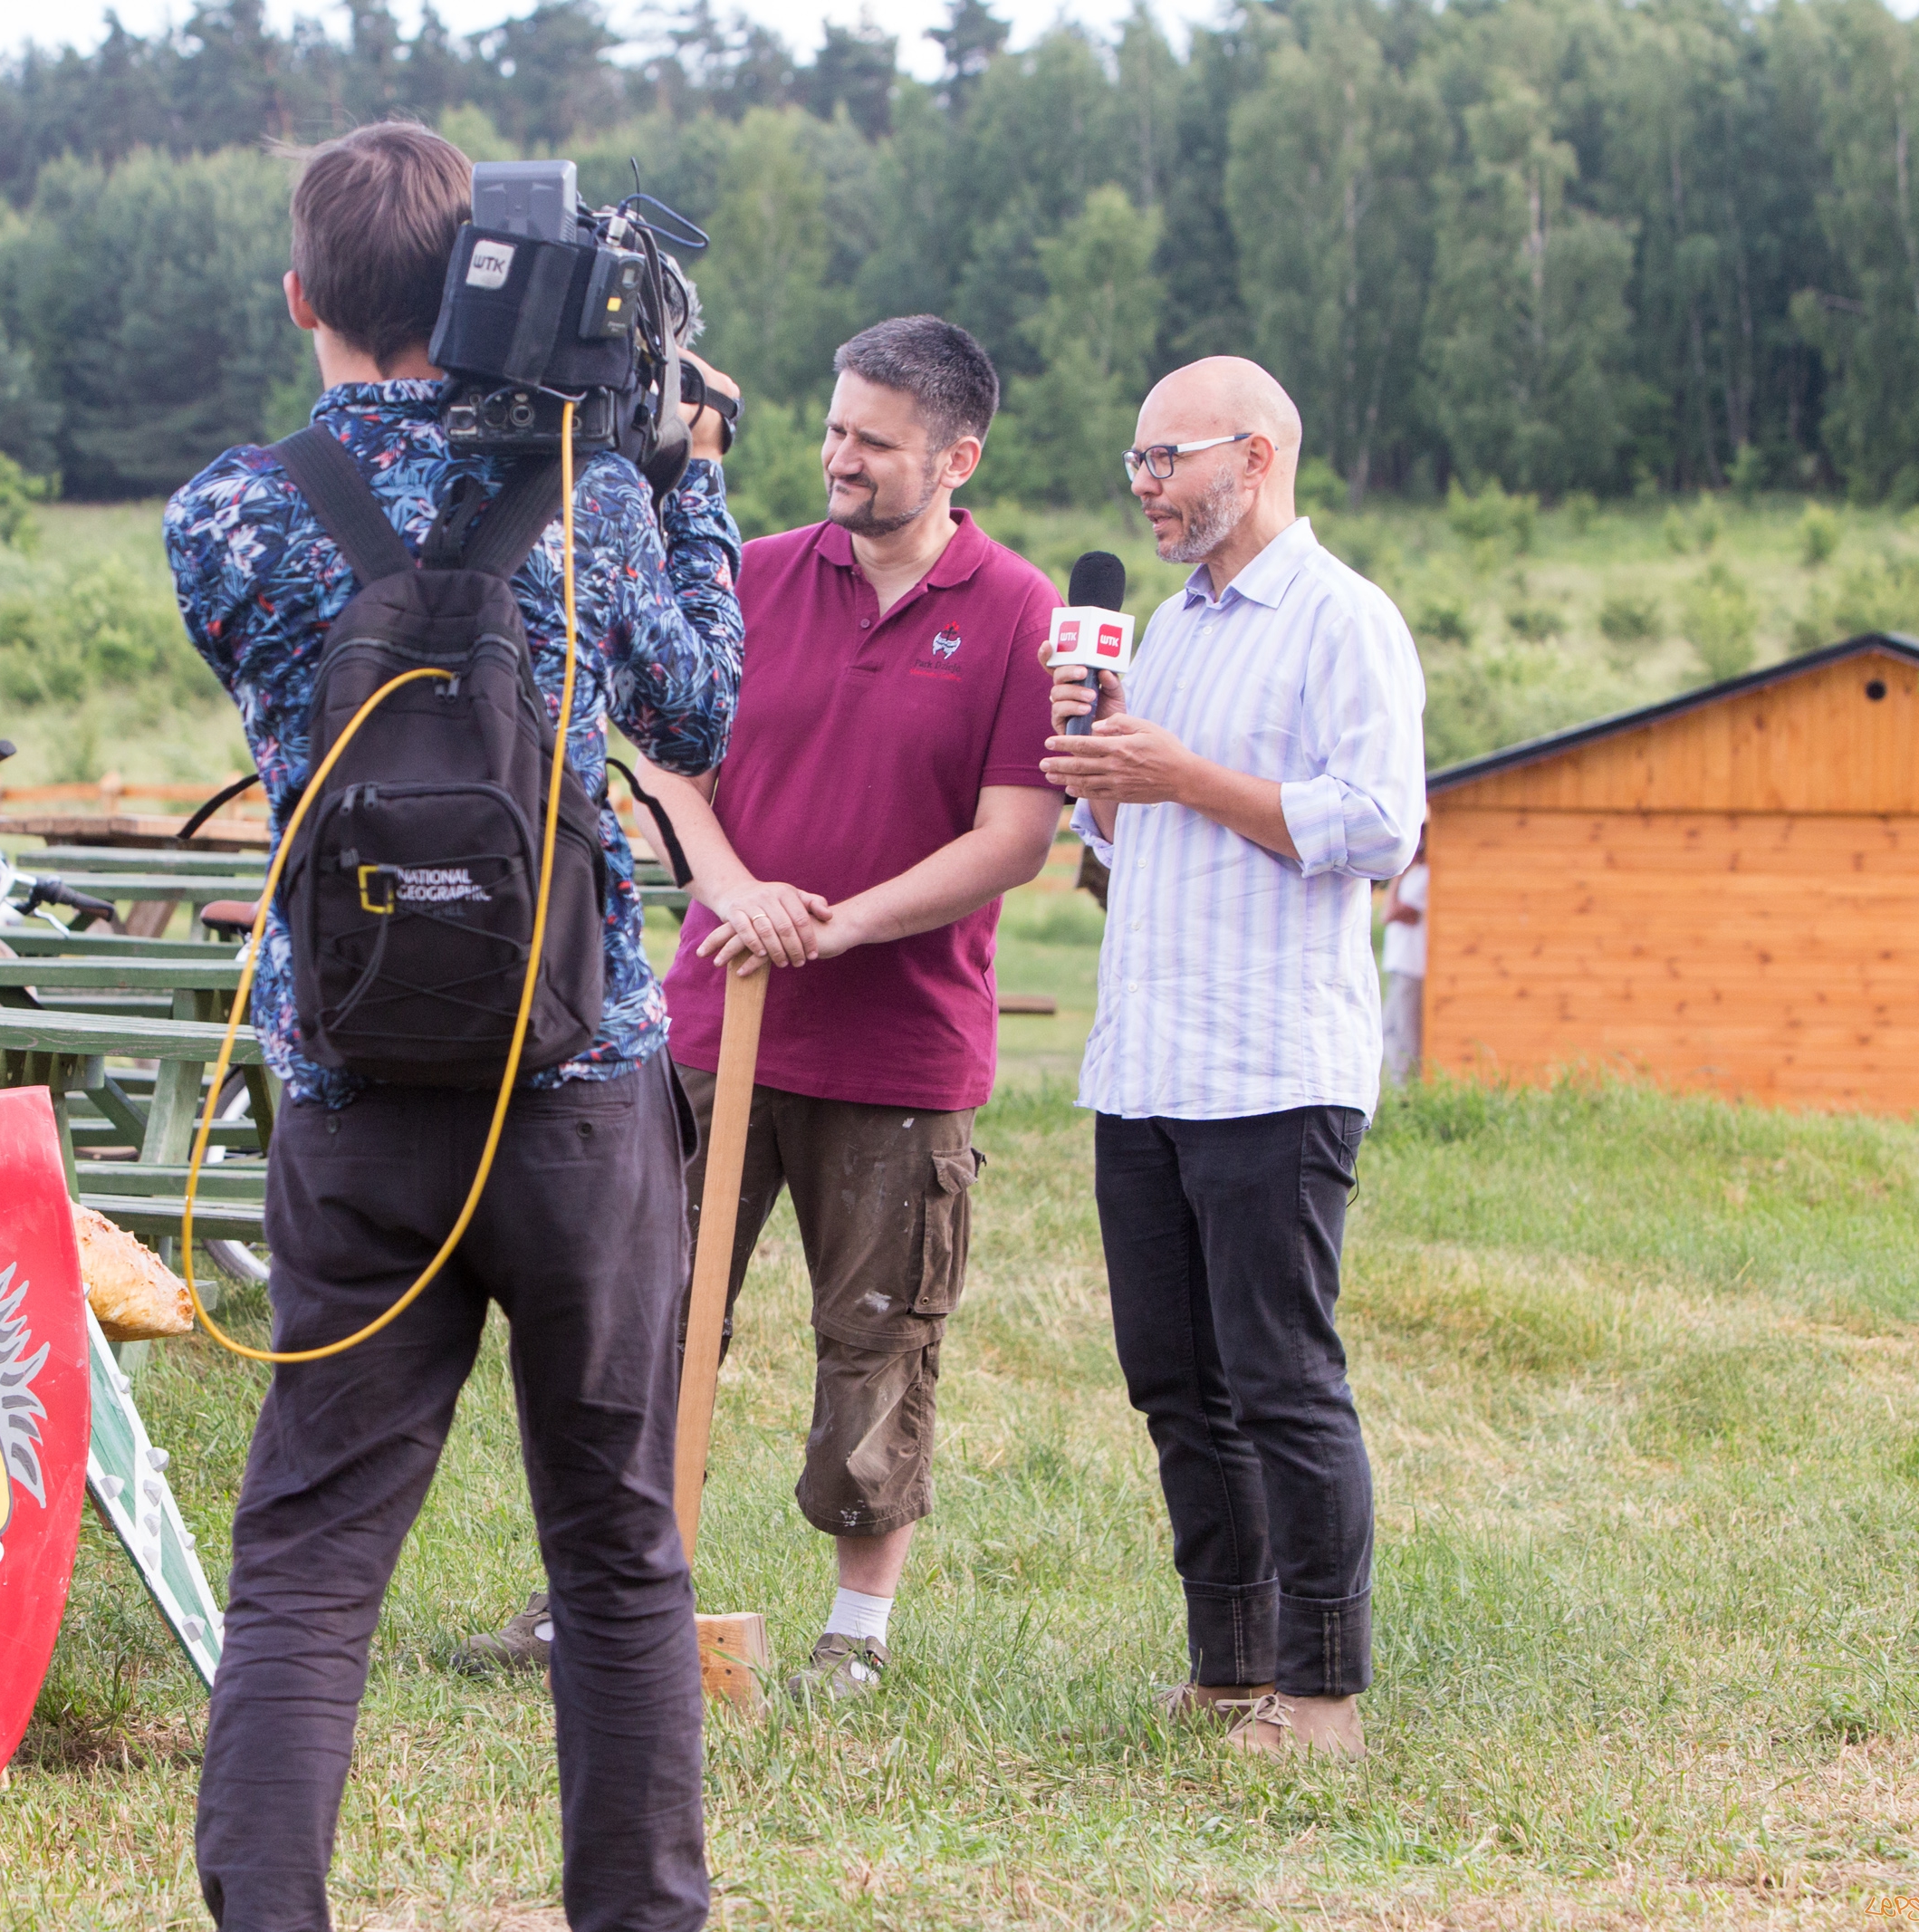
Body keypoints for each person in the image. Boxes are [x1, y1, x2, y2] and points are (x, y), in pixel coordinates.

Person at [163, 121, 744, 1931]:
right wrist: (687, 471)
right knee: (618, 1549)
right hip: (573, 1095)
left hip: (347, 1094)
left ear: (303, 297)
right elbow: (701, 709)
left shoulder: (227, 516)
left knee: (310, 1560)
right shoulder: (596, 487)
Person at [454, 317, 1065, 1699]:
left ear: (957, 457)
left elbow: (1015, 835)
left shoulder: (1018, 610)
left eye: (875, 441)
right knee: (641, 1312)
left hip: (901, 1048)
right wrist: (737, 890)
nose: (838, 458)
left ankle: (855, 1638)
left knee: (880, 1333)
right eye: (836, 427)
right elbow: (672, 763)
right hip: (713, 1025)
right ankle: (594, 1592)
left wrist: (837, 923)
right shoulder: (757, 575)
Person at [1040, 357, 1424, 1760]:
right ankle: (1227, 1666)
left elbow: (1380, 823)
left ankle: (1321, 1699)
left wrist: (1175, 774)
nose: (1144, 486)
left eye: (1169, 458)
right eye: (1135, 462)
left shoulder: (1342, 620)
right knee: (1174, 1381)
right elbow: (1148, 833)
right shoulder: (1165, 632)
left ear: (1256, 457)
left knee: (1281, 1380)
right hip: (1147, 1062)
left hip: (1274, 1061)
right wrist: (1099, 784)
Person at [1381, 837, 1428, 1083]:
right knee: (1389, 1028)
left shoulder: (1425, 877)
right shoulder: (1416, 875)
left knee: (1407, 1033)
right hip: (1398, 963)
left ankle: (1408, 1089)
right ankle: (1399, 1085)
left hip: (1412, 964)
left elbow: (1390, 913)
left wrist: (1397, 877)